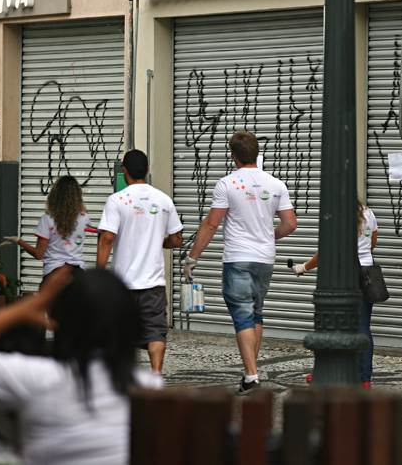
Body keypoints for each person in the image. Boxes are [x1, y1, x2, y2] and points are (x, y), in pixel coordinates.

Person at [0, 267, 165, 465]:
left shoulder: (35, 378)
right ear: (131, 326)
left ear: (60, 323)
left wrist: (24, 309)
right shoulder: (151, 389)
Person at [184, 131, 297, 394]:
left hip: (238, 259)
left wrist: (193, 257)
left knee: (243, 316)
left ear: (234, 156)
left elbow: (212, 223)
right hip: (265, 259)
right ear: (256, 154)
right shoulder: (276, 184)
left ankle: (251, 375)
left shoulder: (227, 184)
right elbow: (290, 224)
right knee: (255, 313)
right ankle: (250, 376)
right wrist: (269, 236)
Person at [97, 149, 183, 374]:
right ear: (146, 170)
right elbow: (177, 239)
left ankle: (121, 375)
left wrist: (99, 274)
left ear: (124, 171)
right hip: (153, 283)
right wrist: (160, 243)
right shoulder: (164, 200)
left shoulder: (117, 201)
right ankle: (156, 374)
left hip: (121, 285)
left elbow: (106, 239)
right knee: (155, 330)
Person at [293, 199, 378, 389]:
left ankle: (327, 373)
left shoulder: (337, 216)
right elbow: (373, 243)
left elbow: (326, 251)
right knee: (363, 326)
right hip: (365, 274)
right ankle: (364, 379)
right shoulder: (368, 213)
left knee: (332, 324)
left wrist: (304, 267)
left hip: (341, 276)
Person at [0, 175, 97, 288]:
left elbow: (38, 254)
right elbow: (82, 212)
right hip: (79, 275)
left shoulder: (47, 219)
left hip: (54, 274)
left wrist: (19, 241)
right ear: (78, 196)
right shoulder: (84, 218)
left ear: (54, 195)